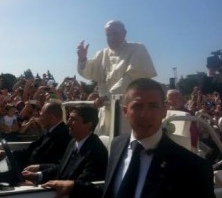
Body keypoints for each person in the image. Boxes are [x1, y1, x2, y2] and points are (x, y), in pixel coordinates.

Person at [42, 78, 215, 198]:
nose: (145, 114)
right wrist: (74, 186)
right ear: (125, 112)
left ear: (164, 110)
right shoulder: (118, 145)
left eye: (153, 106)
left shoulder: (194, 169)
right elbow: (114, 189)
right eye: (137, 106)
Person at [77, 20, 157, 135]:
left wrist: (107, 97)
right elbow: (88, 73)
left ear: (124, 33)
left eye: (115, 33)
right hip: (106, 109)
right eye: (108, 35)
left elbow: (132, 78)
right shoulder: (102, 54)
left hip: (126, 112)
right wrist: (82, 59)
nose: (111, 38)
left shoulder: (137, 49)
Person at [22, 106, 108, 192]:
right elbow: (62, 169)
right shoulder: (73, 142)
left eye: (74, 119)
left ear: (89, 124)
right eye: (69, 118)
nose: (68, 123)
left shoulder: (96, 151)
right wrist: (38, 176)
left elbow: (84, 184)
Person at [0, 102, 71, 186]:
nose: (39, 118)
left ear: (51, 117)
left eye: (42, 116)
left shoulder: (64, 135)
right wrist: (9, 153)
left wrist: (37, 175)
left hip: (38, 179)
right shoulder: (51, 132)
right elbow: (30, 150)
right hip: (26, 170)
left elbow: (60, 165)